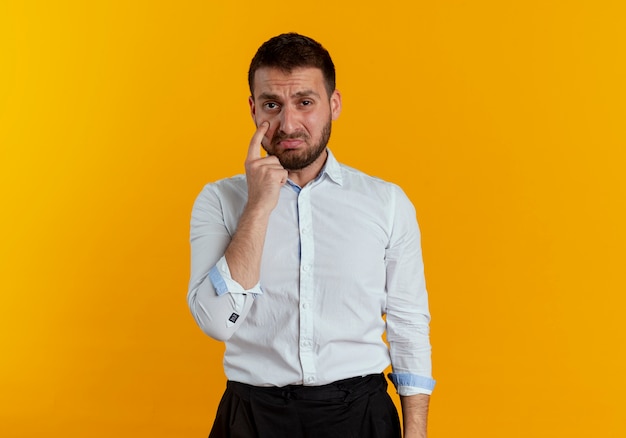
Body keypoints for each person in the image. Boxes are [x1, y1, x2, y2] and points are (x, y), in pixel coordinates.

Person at [187, 33, 435, 438]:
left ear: (333, 104)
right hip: (252, 418)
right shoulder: (220, 200)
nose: (288, 124)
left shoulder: (387, 203)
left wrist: (417, 432)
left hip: (360, 416)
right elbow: (218, 324)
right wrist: (258, 206)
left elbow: (409, 326)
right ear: (253, 109)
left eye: (305, 102)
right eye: (272, 105)